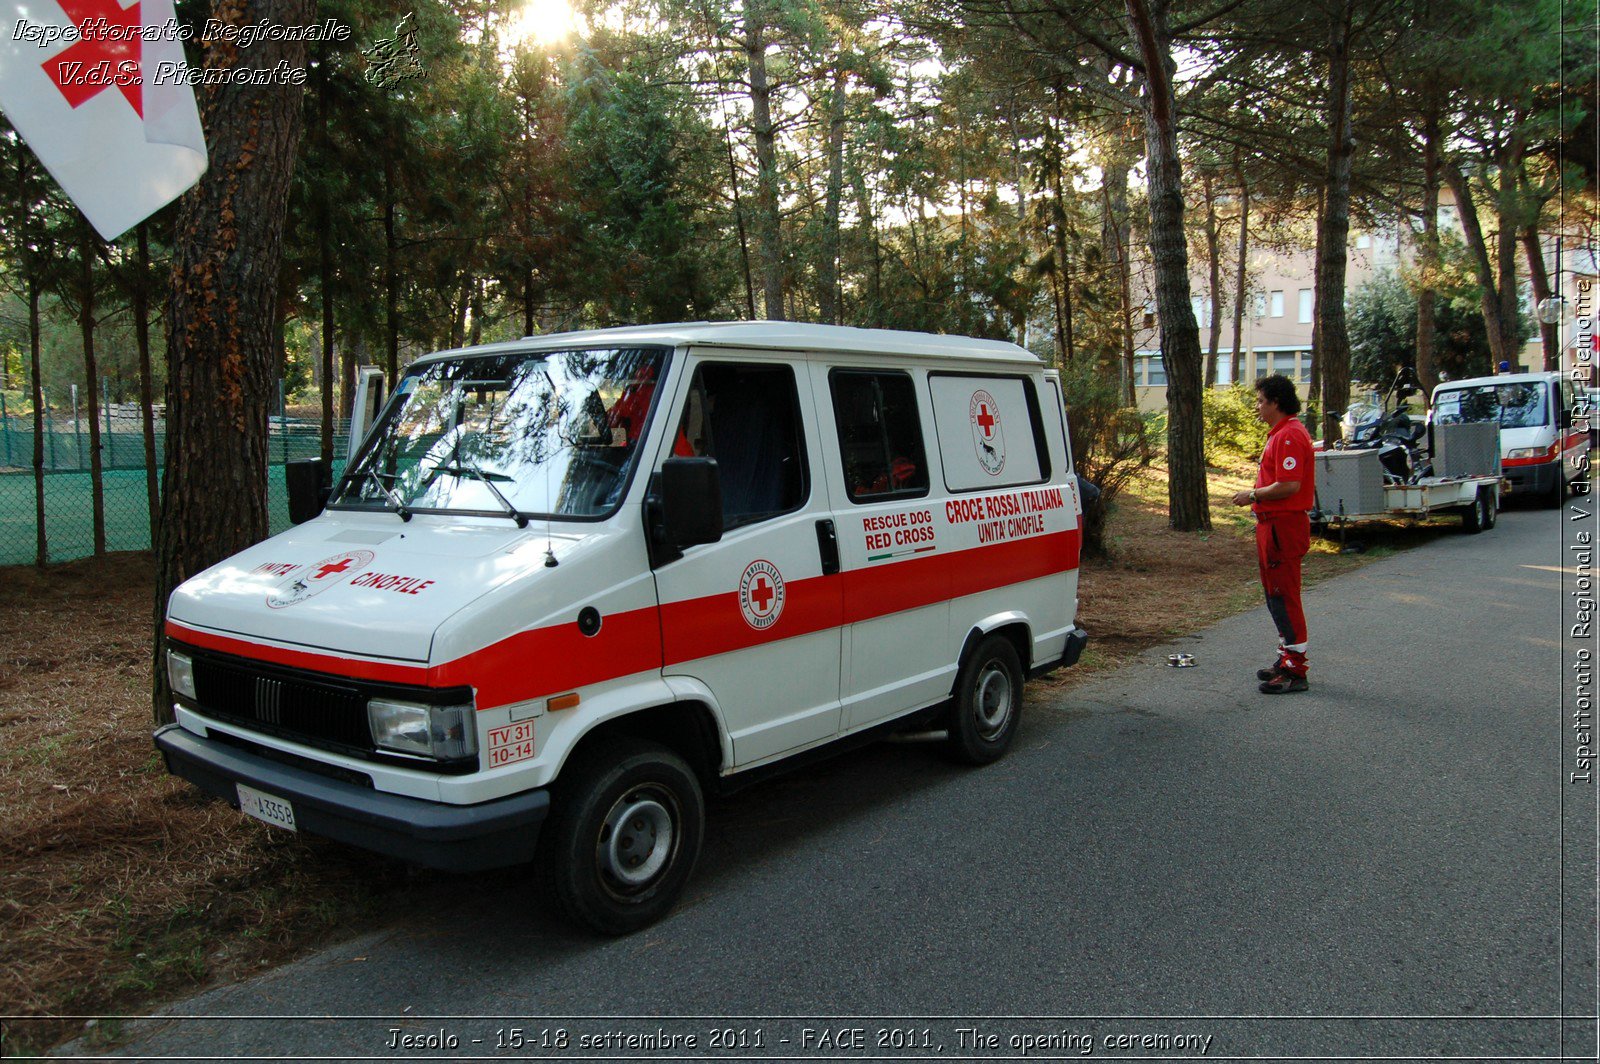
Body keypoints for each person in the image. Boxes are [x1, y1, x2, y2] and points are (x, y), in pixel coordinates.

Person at [1230, 374, 1316, 694]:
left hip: (1283, 526)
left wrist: (1251, 495)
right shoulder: (1281, 433)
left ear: (1275, 402)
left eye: (1261, 401)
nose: (1257, 407)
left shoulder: (1290, 435)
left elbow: (1289, 485)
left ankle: (1296, 670)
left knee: (1285, 597)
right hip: (1271, 526)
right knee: (1274, 597)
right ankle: (1286, 658)